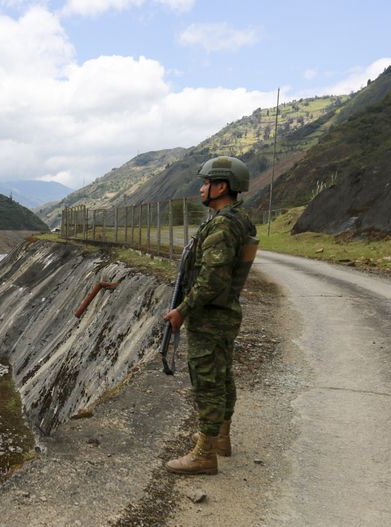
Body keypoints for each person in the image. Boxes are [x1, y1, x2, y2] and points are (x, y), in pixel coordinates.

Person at [163, 156, 257, 475]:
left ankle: (205, 453)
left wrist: (182, 310)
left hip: (211, 316)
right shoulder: (237, 218)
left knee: (207, 381)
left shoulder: (223, 225)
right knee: (222, 374)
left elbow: (211, 279)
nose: (202, 188)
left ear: (222, 186)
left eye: (206, 183)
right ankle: (221, 438)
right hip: (225, 313)